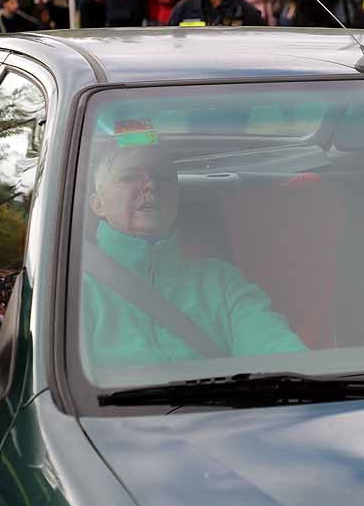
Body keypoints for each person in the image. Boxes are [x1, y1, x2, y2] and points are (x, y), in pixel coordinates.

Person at [82, 144, 307, 368]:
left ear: (176, 197)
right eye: (129, 177)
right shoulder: (75, 290)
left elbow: (279, 352)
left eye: (163, 178)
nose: (151, 185)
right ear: (98, 204)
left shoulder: (222, 282)